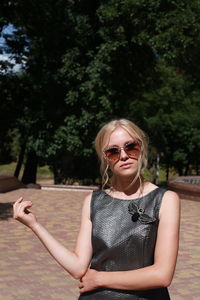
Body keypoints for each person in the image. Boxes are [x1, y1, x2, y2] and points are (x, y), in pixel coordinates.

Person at [13, 119, 180, 299]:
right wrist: (35, 226)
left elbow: (162, 275)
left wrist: (100, 278)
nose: (123, 156)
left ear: (141, 148)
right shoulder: (93, 201)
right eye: (113, 151)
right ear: (105, 158)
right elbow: (78, 267)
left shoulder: (165, 199)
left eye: (130, 147)